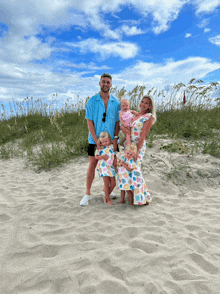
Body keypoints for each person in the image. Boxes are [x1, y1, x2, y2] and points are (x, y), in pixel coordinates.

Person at [80, 73, 120, 206]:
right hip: (94, 140)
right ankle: (87, 194)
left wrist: (115, 139)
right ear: (99, 83)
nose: (105, 84)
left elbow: (117, 123)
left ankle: (106, 191)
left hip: (111, 141)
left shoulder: (116, 102)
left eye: (108, 82)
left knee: (110, 164)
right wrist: (96, 140)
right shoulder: (92, 101)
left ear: (111, 85)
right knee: (93, 164)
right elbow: (89, 122)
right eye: (103, 82)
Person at [120, 95, 156, 205]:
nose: (143, 104)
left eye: (146, 103)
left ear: (150, 106)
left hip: (138, 146)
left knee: (136, 169)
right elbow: (129, 131)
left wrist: (136, 151)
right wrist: (123, 141)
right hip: (129, 145)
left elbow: (143, 135)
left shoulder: (148, 117)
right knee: (128, 169)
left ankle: (144, 198)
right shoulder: (135, 115)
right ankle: (133, 197)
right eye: (142, 101)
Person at [96, 131, 116, 205]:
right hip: (104, 167)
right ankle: (108, 199)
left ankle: (106, 196)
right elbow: (96, 156)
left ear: (109, 140)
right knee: (106, 183)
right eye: (103, 142)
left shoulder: (111, 146)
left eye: (106, 141)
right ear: (100, 142)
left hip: (110, 167)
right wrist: (102, 157)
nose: (105, 143)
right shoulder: (100, 148)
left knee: (113, 183)